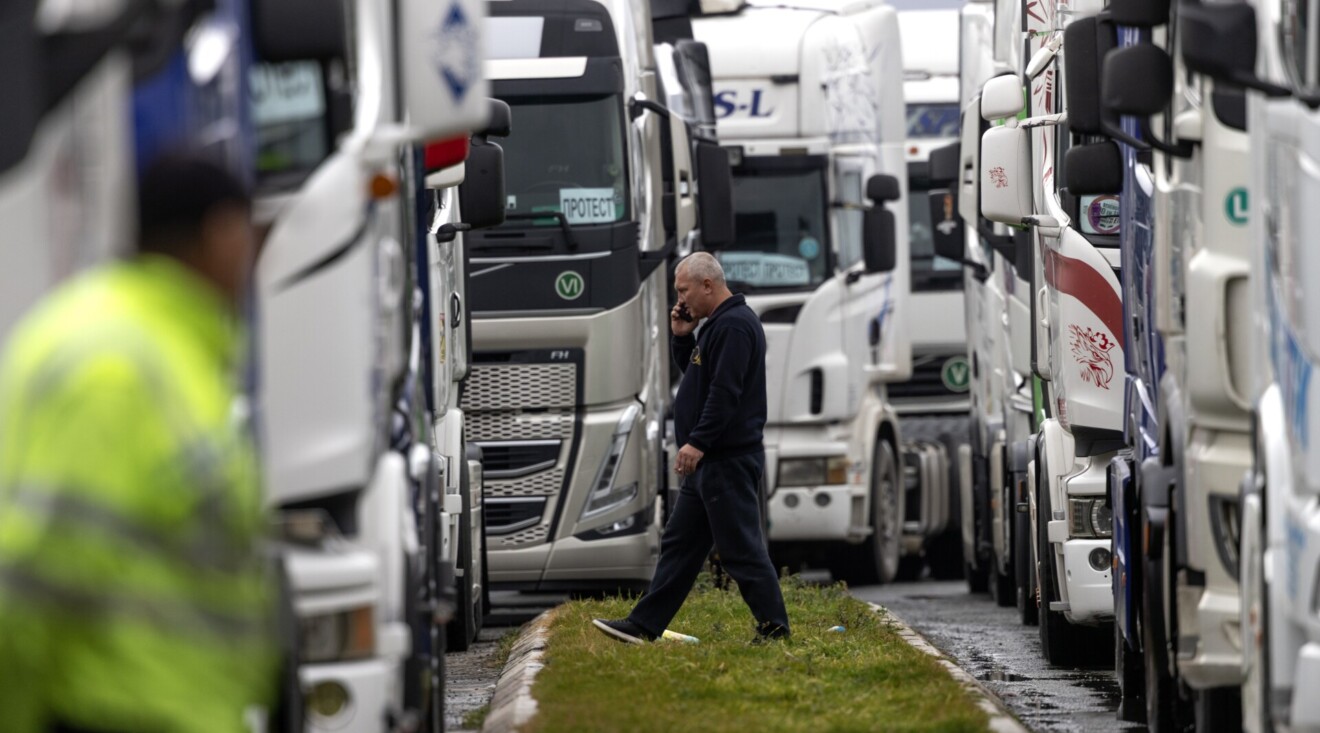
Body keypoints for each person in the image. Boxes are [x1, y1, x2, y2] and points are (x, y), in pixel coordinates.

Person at [0, 156, 277, 733]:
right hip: (111, 713)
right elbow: (36, 576)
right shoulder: (118, 366)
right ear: (219, 233)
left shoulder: (167, 348)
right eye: (246, 235)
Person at [593, 252, 790, 644]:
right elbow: (701, 378)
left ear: (707, 285)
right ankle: (645, 625)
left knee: (741, 550)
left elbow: (724, 393)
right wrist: (683, 339)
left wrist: (697, 442)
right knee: (680, 546)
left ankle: (775, 630)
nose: (680, 300)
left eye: (683, 290)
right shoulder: (717, 325)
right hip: (710, 465)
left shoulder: (734, 326)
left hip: (725, 460)